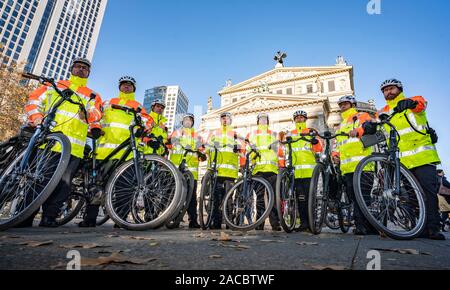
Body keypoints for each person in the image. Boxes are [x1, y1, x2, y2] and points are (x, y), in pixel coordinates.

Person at [20, 58, 103, 227]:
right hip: (49, 142)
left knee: (63, 185)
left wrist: (88, 116)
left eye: (85, 68)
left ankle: (49, 217)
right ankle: (24, 216)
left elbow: (96, 114)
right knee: (39, 179)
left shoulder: (92, 95)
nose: (81, 69)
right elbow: (34, 101)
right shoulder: (55, 85)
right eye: (78, 66)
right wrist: (37, 118)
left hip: (74, 148)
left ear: (88, 73)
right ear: (71, 68)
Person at [363, 79, 445, 240]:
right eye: (385, 90)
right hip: (402, 161)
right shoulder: (383, 111)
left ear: (399, 89)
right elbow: (373, 125)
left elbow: (420, 103)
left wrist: (409, 103)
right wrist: (368, 127)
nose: (388, 92)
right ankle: (419, 227)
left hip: (422, 156)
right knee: (412, 195)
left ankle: (433, 228)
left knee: (428, 191)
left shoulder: (414, 101)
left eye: (391, 88)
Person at [78, 76, 152, 227]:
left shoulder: (138, 106)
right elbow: (96, 116)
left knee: (124, 190)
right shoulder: (107, 102)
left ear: (134, 89)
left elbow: (148, 121)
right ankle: (90, 218)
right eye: (124, 85)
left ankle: (120, 220)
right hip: (105, 152)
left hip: (127, 155)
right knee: (97, 187)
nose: (126, 87)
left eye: (129, 85)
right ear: (119, 87)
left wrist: (142, 129)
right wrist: (95, 127)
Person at [334, 96, 377, 235]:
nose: (343, 106)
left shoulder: (362, 116)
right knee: (353, 197)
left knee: (363, 196)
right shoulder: (340, 126)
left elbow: (371, 126)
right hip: (347, 168)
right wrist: (335, 154)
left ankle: (363, 226)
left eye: (345, 104)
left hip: (364, 165)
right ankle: (363, 225)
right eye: (341, 104)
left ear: (352, 104)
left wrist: (359, 131)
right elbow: (337, 144)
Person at [283, 110, 323, 232]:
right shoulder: (290, 134)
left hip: (309, 172)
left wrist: (315, 142)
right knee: (300, 198)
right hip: (296, 173)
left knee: (311, 198)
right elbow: (285, 150)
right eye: (297, 118)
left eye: (301, 117)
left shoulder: (310, 132)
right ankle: (304, 223)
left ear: (305, 119)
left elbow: (319, 148)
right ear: (294, 120)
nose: (299, 119)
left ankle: (313, 222)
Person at [206, 112, 244, 230]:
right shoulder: (214, 133)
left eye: (227, 118)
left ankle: (229, 221)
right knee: (215, 197)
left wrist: (238, 147)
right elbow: (206, 148)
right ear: (220, 120)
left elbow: (242, 149)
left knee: (228, 198)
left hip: (230, 172)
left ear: (230, 121)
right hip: (217, 170)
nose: (225, 120)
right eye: (223, 118)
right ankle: (215, 222)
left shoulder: (235, 134)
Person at [167, 113, 206, 229]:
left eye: (190, 120)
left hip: (192, 171)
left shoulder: (197, 136)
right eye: (186, 120)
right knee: (176, 195)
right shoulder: (177, 132)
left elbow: (202, 151)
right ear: (182, 122)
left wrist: (202, 155)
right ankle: (174, 218)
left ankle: (193, 220)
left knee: (192, 198)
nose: (188, 121)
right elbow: (169, 144)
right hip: (177, 168)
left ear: (193, 122)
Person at [245, 113, 281, 231]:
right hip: (258, 170)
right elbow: (248, 150)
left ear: (268, 121)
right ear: (257, 122)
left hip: (271, 170)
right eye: (261, 119)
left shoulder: (274, 134)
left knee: (274, 198)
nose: (263, 121)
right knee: (260, 198)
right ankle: (259, 224)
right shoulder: (252, 135)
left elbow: (279, 152)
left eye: (265, 119)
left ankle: (275, 224)